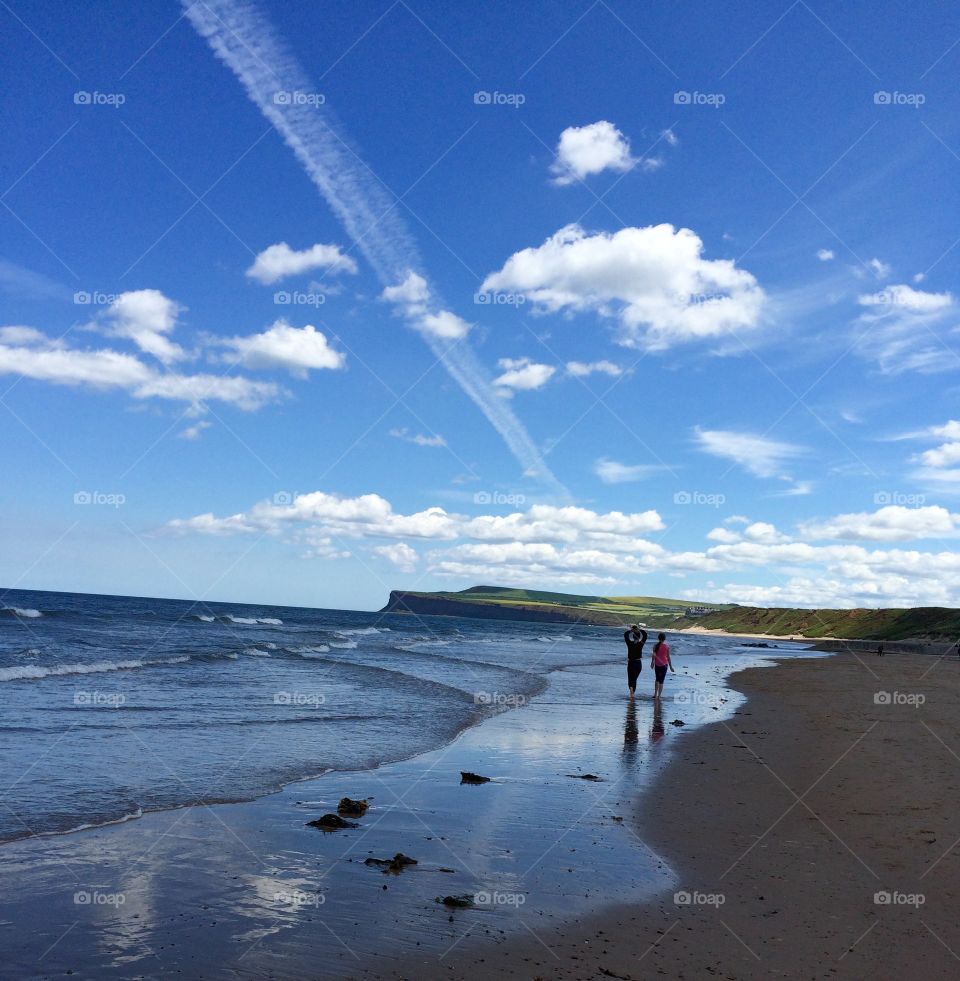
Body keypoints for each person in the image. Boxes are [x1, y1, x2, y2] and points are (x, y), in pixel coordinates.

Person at [623, 624, 647, 699]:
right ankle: (632, 693)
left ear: (633, 636)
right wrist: (638, 629)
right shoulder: (641, 644)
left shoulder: (629, 643)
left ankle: (631, 692)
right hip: (638, 663)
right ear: (639, 637)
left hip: (631, 663)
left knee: (630, 678)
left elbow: (625, 635)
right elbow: (645, 635)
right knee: (634, 679)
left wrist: (631, 630)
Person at [650, 632, 674, 699]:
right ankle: (659, 696)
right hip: (664, 665)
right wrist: (671, 666)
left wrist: (652, 663)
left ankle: (655, 694)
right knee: (661, 681)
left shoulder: (655, 646)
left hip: (657, 664)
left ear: (658, 638)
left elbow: (653, 655)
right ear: (664, 639)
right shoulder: (666, 647)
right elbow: (668, 657)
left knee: (657, 679)